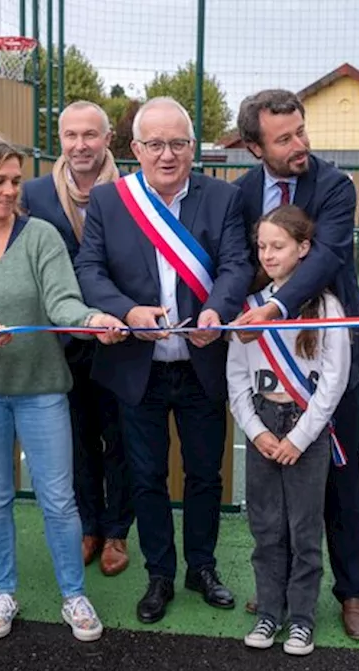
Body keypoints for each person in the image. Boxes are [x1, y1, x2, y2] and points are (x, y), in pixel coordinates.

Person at [0, 134, 127, 642]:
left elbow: (63, 305)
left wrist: (94, 319)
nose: (12, 190)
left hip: (40, 388)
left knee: (59, 499)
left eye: (16, 180)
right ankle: (4, 593)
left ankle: (73, 596)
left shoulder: (40, 238)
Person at [74, 97, 254, 624]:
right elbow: (89, 271)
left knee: (204, 475)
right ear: (136, 149)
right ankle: (159, 574)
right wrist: (126, 311)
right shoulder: (110, 201)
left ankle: (202, 567)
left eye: (178, 143)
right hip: (138, 368)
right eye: (155, 144)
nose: (167, 154)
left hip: (201, 364)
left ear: (193, 148)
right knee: (146, 476)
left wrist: (217, 311)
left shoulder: (222, 197)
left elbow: (237, 263)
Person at [230, 88, 359, 640]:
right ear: (253, 146)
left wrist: (275, 306)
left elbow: (330, 256)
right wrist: (219, 314)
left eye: (301, 130)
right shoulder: (242, 194)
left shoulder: (334, 185)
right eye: (284, 137)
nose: (300, 145)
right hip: (267, 364)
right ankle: (281, 594)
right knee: (273, 489)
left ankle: (352, 591)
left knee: (338, 477)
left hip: (327, 355)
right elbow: (237, 264)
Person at [227, 205, 350, 657]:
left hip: (306, 428)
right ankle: (269, 613)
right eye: (261, 246)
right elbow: (236, 377)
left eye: (278, 246)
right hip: (263, 423)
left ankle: (301, 620)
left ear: (304, 249)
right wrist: (256, 431)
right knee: (265, 527)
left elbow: (334, 380)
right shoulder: (249, 309)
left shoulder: (328, 307)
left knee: (303, 530)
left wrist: (299, 438)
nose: (268, 255)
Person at [20, 100, 132, 577]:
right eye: (71, 135)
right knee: (77, 439)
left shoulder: (133, 191)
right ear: (59, 141)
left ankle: (117, 532)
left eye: (91, 134)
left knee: (120, 438)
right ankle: (88, 525)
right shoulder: (34, 193)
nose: (80, 144)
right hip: (61, 342)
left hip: (119, 338)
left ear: (108, 139)